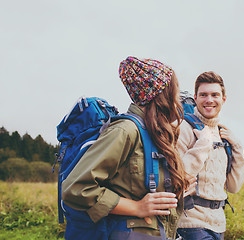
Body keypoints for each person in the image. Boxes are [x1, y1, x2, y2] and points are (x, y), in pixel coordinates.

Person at [62, 56, 192, 240]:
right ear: (161, 93)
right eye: (174, 89)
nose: (178, 97)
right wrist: (137, 207)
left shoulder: (155, 133)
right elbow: (76, 188)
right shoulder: (125, 130)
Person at [176, 71, 244, 240]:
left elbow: (233, 186)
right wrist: (202, 146)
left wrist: (237, 148)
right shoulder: (184, 129)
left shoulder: (224, 133)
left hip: (219, 223)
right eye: (203, 95)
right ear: (195, 97)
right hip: (190, 223)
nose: (209, 100)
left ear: (223, 98)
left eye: (215, 95)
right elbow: (176, 178)